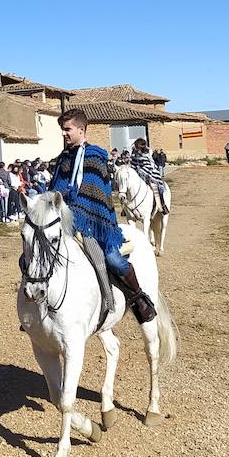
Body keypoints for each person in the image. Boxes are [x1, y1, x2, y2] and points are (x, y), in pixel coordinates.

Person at [49, 110, 156, 324]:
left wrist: (77, 213)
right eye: (62, 129)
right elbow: (55, 191)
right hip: (62, 223)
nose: (63, 133)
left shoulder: (96, 156)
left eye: (67, 129)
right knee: (34, 255)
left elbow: (95, 193)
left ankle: (139, 299)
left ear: (81, 129)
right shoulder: (63, 159)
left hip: (92, 224)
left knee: (112, 260)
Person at [129, 139, 169, 215]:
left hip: (149, 173)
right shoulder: (133, 154)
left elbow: (149, 165)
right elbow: (132, 164)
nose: (136, 147)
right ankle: (126, 208)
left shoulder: (147, 153)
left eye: (137, 146)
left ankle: (162, 205)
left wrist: (144, 172)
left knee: (157, 187)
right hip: (136, 173)